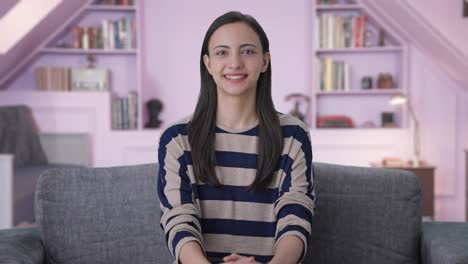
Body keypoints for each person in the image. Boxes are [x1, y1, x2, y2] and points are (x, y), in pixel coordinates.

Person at [157, 11, 315, 264]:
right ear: (208, 64)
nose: (235, 63)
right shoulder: (177, 138)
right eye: (222, 52)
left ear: (265, 62)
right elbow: (179, 220)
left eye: (248, 51)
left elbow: (296, 215)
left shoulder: (293, 135)